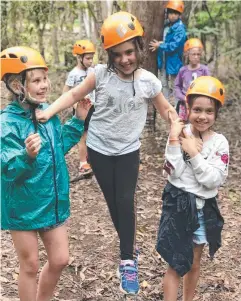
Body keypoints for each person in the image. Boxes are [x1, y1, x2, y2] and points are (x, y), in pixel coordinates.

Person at [36, 11, 178, 296]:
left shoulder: (148, 81)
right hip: (99, 150)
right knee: (114, 202)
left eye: (129, 52)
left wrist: (177, 125)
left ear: (137, 49)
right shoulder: (98, 75)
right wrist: (49, 110)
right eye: (117, 54)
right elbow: (74, 95)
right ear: (109, 55)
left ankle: (127, 258)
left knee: (125, 200)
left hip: (128, 151)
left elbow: (165, 109)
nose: (125, 59)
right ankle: (129, 241)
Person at [1, 46, 90, 301]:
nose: (44, 85)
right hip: (22, 206)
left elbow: (58, 146)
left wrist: (78, 120)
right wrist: (26, 155)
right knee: (29, 266)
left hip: (51, 200)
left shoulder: (47, 113)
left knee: (61, 259)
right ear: (18, 86)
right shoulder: (6, 122)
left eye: (45, 79)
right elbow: (6, 169)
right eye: (36, 80)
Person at [157, 76, 229, 301]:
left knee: (194, 261)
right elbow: (171, 172)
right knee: (176, 263)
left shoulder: (219, 143)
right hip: (178, 204)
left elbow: (213, 179)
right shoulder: (181, 133)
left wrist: (194, 153)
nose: (203, 116)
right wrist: (176, 141)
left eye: (209, 111)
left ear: (216, 112)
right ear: (188, 107)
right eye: (197, 109)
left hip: (203, 207)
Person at [63, 40, 96, 175]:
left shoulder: (93, 71)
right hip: (81, 109)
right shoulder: (74, 74)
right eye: (87, 58)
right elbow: (66, 91)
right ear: (79, 58)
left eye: (91, 58)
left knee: (92, 134)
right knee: (83, 135)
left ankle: (91, 158)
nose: (90, 61)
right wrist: (75, 105)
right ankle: (83, 162)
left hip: (93, 107)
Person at [149, 0, 186, 104]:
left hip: (174, 60)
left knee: (176, 84)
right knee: (163, 82)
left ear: (179, 15)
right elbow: (168, 41)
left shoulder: (180, 29)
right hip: (164, 58)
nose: (172, 15)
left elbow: (174, 45)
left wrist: (160, 45)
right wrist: (162, 43)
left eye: (175, 13)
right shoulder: (166, 25)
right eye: (170, 13)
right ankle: (165, 105)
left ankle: (178, 106)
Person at [175, 38, 210, 120]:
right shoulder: (183, 70)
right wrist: (182, 97)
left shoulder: (204, 70)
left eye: (198, 54)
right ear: (188, 54)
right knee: (184, 126)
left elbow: (209, 86)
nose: (196, 57)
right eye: (193, 54)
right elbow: (177, 86)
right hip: (185, 104)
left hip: (200, 105)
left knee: (198, 124)